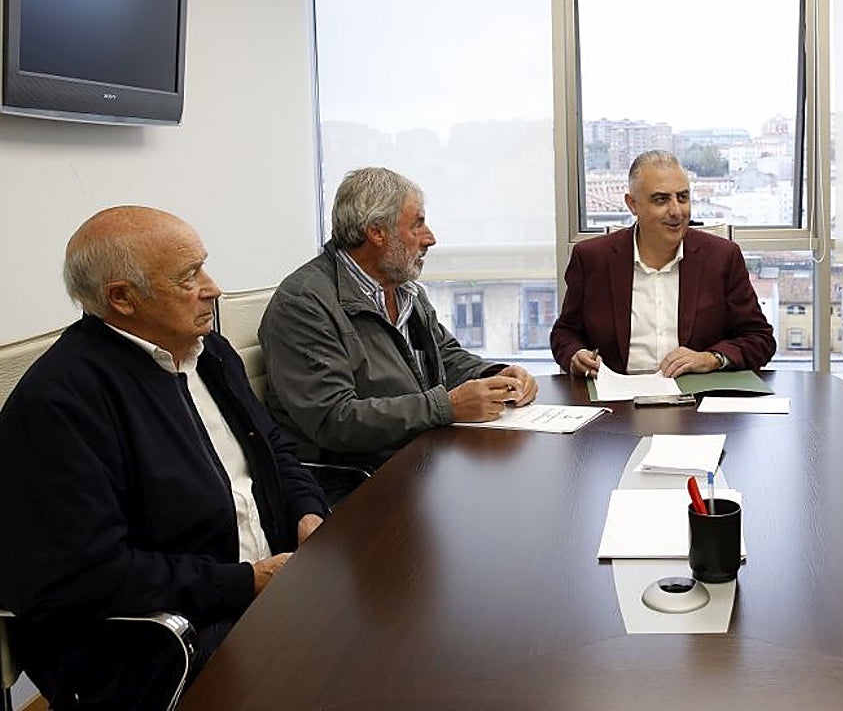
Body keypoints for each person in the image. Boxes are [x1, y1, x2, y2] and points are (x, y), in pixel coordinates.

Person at [0, 207, 327, 709]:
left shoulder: (209, 352)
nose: (213, 287)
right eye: (188, 277)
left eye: (204, 266)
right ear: (122, 298)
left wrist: (307, 512)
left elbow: (274, 450)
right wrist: (245, 582)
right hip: (167, 639)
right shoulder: (61, 400)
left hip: (265, 591)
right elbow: (87, 576)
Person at [259, 168, 538, 494]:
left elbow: (444, 356)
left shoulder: (406, 291)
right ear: (377, 233)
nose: (430, 238)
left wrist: (498, 375)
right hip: (356, 483)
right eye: (418, 223)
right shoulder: (303, 304)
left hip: (419, 460)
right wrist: (444, 407)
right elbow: (335, 420)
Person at [550, 151, 776, 377]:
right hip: (617, 399)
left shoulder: (722, 258)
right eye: (661, 199)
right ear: (632, 204)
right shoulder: (592, 259)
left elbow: (759, 338)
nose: (676, 211)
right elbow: (565, 333)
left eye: (683, 197)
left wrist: (710, 359)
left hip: (697, 398)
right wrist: (575, 354)